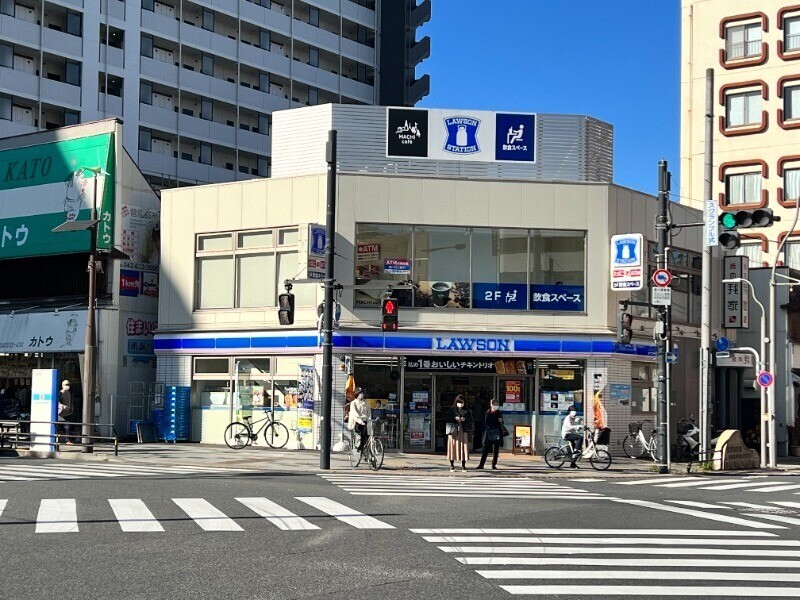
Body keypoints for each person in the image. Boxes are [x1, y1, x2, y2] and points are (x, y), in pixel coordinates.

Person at [445, 395, 473, 472]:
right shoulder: (452, 409)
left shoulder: (467, 411)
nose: (460, 404)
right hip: (453, 431)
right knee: (452, 447)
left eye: (462, 402)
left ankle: (463, 465)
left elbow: (471, 421)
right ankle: (452, 465)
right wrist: (454, 418)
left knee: (464, 447)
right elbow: (447, 418)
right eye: (459, 402)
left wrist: (465, 419)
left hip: (463, 430)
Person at [476, 399, 504, 470]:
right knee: (486, 449)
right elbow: (487, 422)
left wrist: (501, 421)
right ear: (491, 405)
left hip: (497, 432)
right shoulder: (488, 412)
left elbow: (501, 422)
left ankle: (494, 464)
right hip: (489, 432)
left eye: (497, 405)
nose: (496, 406)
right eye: (494, 404)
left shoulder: (499, 413)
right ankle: (481, 464)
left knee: (496, 450)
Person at [347, 388, 371, 453]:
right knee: (362, 434)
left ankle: (364, 449)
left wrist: (369, 420)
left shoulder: (366, 403)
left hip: (365, 421)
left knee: (368, 435)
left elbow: (369, 413)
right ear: (357, 394)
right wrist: (360, 421)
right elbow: (354, 413)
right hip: (356, 422)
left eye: (362, 393)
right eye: (360, 393)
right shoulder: (353, 403)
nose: (361, 395)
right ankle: (360, 447)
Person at [57, 379, 74, 445]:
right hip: (60, 412)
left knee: (68, 426)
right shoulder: (60, 393)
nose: (67, 386)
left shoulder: (69, 393)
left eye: (68, 385)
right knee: (58, 426)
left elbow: (70, 401)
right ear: (62, 385)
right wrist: (63, 406)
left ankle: (68, 440)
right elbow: (57, 402)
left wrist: (71, 408)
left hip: (67, 412)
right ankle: (57, 439)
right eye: (66, 385)